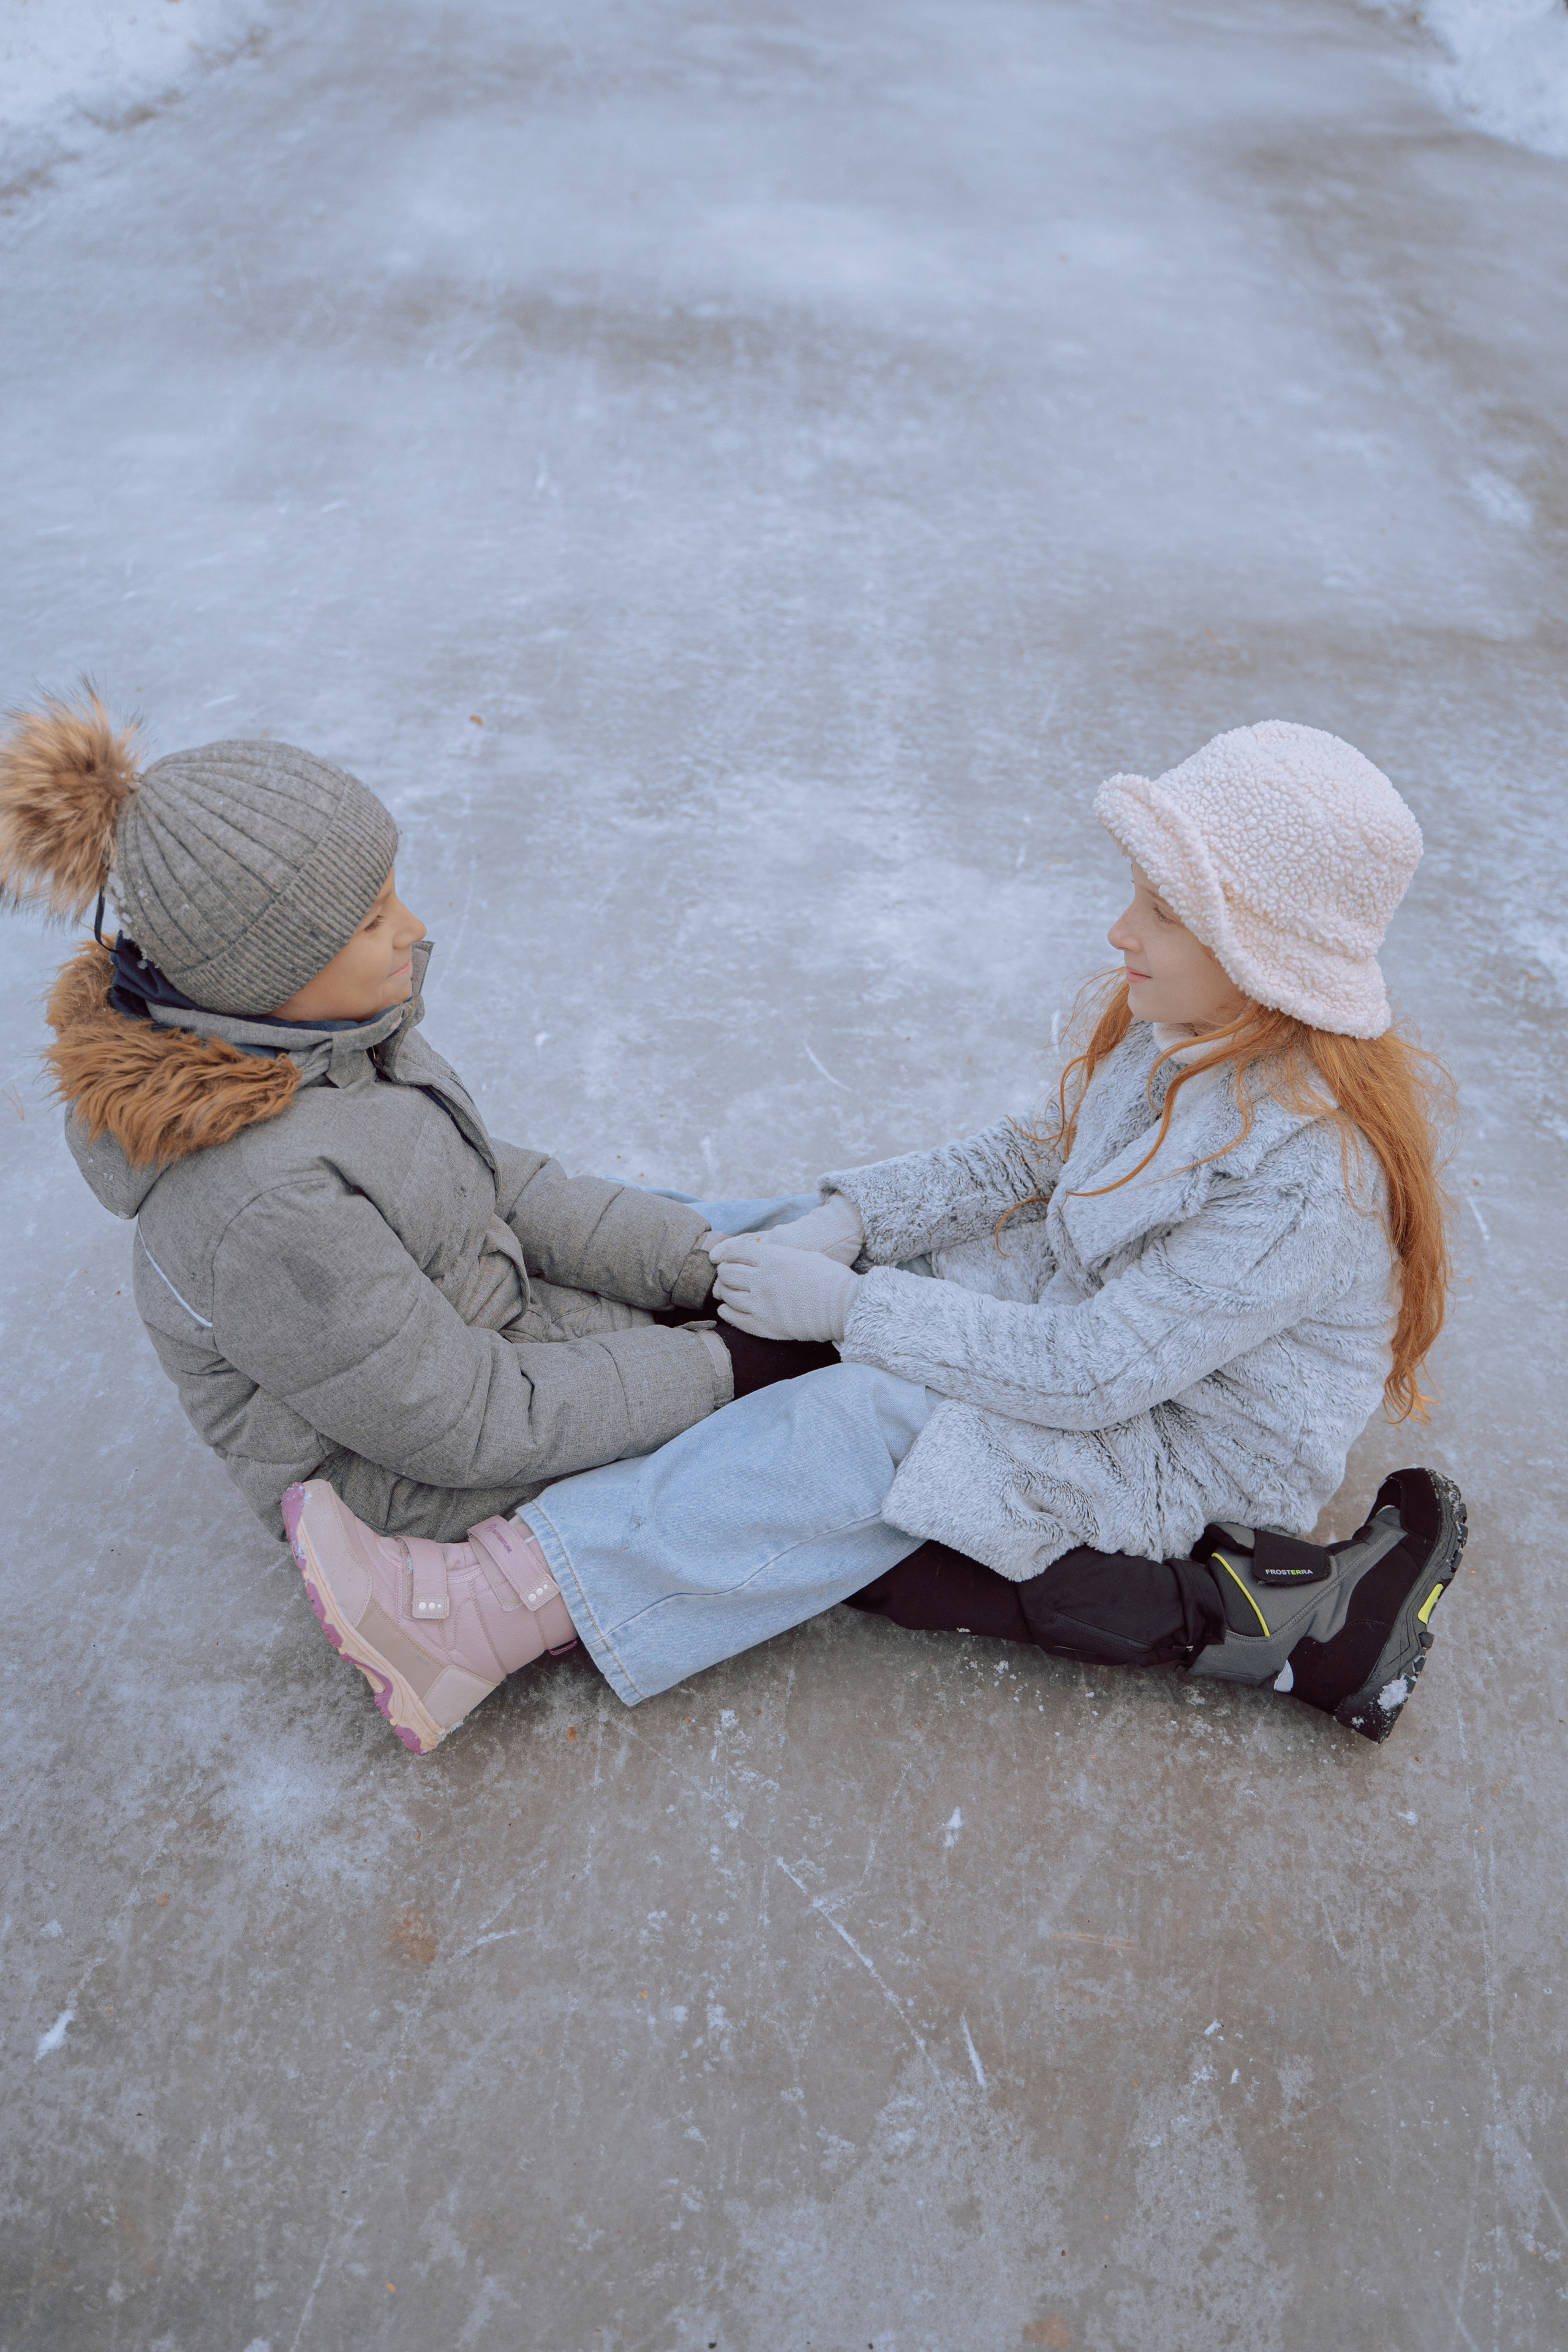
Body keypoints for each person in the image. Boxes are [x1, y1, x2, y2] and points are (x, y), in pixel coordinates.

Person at [277, 721, 1468, 1755]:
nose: (1118, 930)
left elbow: (1096, 1373)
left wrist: (850, 1313)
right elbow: (1021, 1159)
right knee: (761, 1237)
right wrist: (850, 1224)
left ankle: (482, 1613)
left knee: (875, 1436)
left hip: (1166, 1441)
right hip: (1065, 1316)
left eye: (1158, 911)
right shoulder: (1183, 1030)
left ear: (1257, 955)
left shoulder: (1308, 1185)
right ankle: (540, 1329)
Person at [1, 692, 744, 1549]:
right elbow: (468, 1421)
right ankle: (497, 1605)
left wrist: (704, 1269)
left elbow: (495, 1185)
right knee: (802, 1447)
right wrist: (724, 1368)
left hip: (481, 1332)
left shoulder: (336, 1040)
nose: (414, 929)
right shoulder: (264, 1202)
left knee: (754, 1282)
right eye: (371, 920)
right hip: (397, 1487)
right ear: (262, 976)